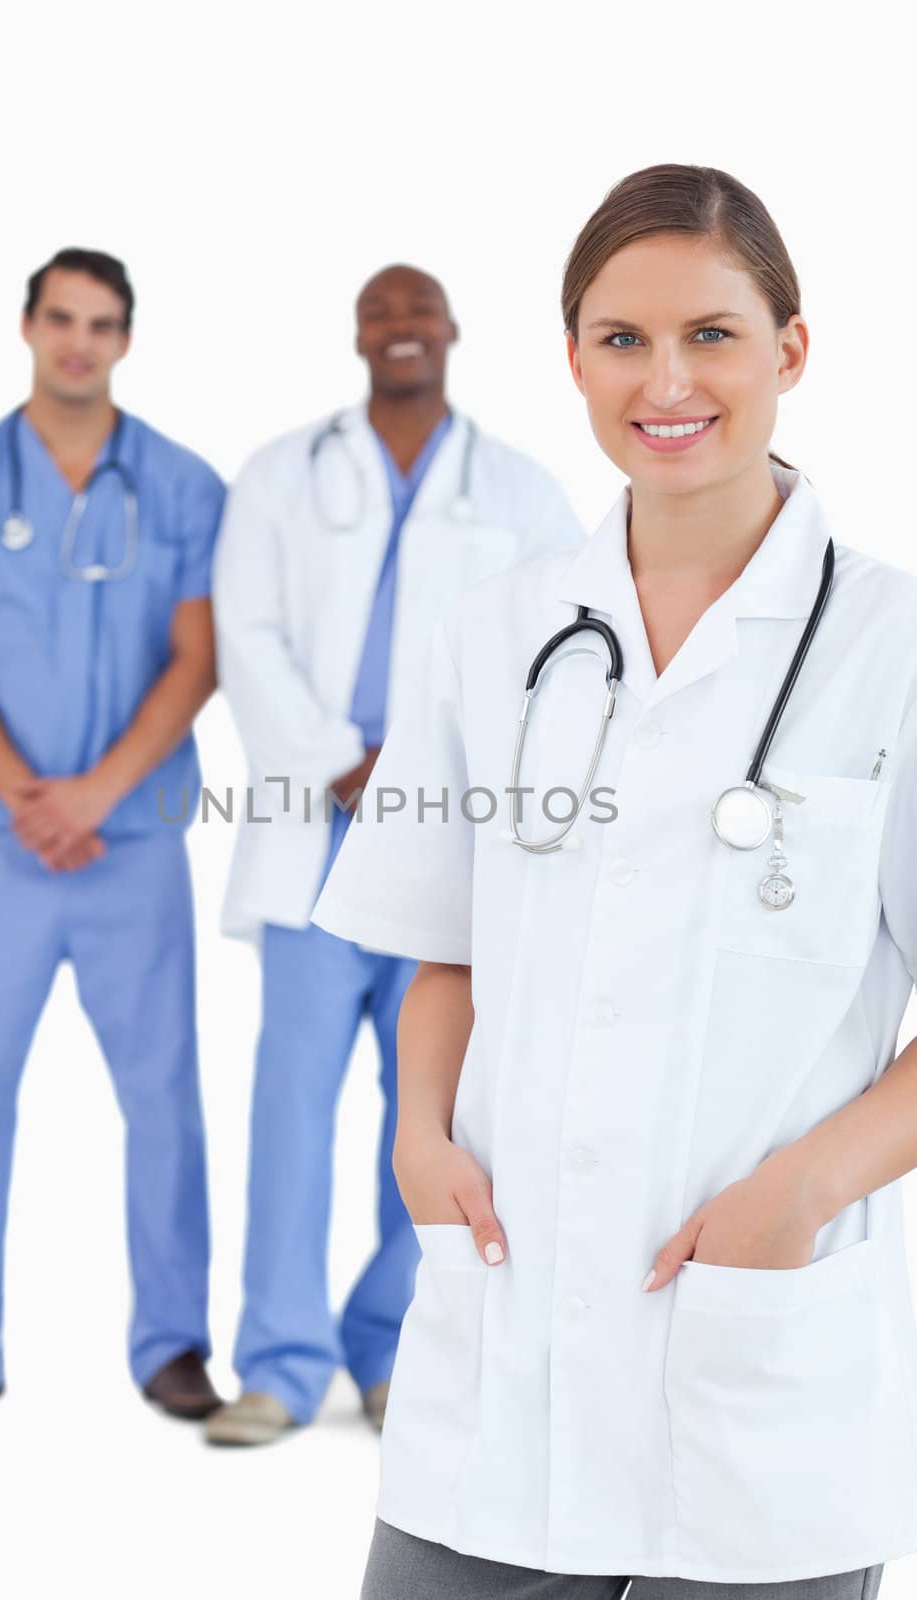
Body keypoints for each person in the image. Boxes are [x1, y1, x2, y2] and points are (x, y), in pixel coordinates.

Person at [312, 167, 917, 1597]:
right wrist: (416, 1134)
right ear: (571, 355)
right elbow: (436, 940)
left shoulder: (890, 643)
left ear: (790, 348)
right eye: (619, 337)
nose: (665, 381)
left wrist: (794, 1197)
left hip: (753, 1364)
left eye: (709, 334)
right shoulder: (494, 631)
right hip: (496, 1346)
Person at [206, 263, 584, 1446]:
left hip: (449, 842)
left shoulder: (518, 488)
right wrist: (335, 757)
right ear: (358, 332)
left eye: (419, 309)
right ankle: (275, 1363)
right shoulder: (280, 473)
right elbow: (243, 628)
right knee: (290, 1105)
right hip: (315, 838)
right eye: (380, 310)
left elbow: (562, 651)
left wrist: (429, 768)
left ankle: (384, 1347)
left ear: (451, 329)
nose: (401, 326)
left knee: (432, 1109)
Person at [0, 248, 226, 1422]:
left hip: (131, 843)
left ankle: (172, 1344)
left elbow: (197, 658)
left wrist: (95, 794)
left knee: (162, 1097)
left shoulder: (181, 485)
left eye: (104, 323)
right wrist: (31, 792)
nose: (80, 340)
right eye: (62, 318)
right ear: (27, 326)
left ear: (126, 339)